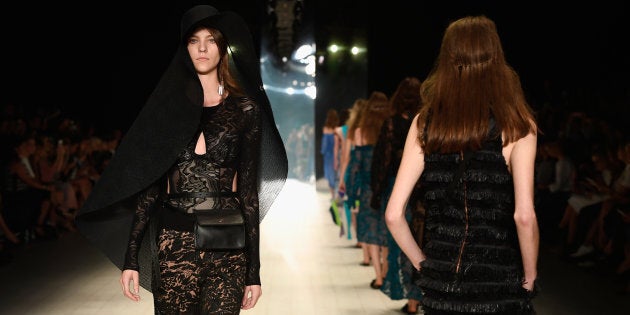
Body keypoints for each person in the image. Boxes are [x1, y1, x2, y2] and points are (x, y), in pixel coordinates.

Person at [75, 5, 288, 314]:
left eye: (211, 39)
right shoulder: (165, 114)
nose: (202, 48)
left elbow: (248, 194)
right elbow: (149, 188)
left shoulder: (245, 111)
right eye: (193, 40)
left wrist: (253, 272)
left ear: (223, 46)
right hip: (175, 241)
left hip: (227, 240)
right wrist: (131, 258)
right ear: (184, 48)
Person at [385, 15, 539, 314]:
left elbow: (393, 215)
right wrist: (530, 277)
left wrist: (425, 267)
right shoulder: (517, 125)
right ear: (496, 57)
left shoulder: (425, 123)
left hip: (442, 284)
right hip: (499, 282)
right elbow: (524, 216)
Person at [371, 77, 424, 314]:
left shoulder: (392, 124)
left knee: (400, 244)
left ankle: (410, 298)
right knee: (421, 240)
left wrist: (377, 191)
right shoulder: (426, 123)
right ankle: (416, 300)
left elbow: (382, 161)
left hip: (397, 187)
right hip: (422, 192)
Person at [340, 91, 391, 289]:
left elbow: (354, 164)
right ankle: (386, 273)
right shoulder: (390, 129)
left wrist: (350, 188)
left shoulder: (360, 132)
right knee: (386, 231)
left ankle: (378, 277)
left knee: (371, 230)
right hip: (387, 186)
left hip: (368, 188)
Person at [320, 108, 340, 200]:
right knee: (336, 176)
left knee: (329, 175)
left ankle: (333, 195)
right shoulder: (337, 129)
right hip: (335, 155)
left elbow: (324, 145)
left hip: (327, 156)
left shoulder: (325, 129)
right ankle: (336, 196)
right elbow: (336, 145)